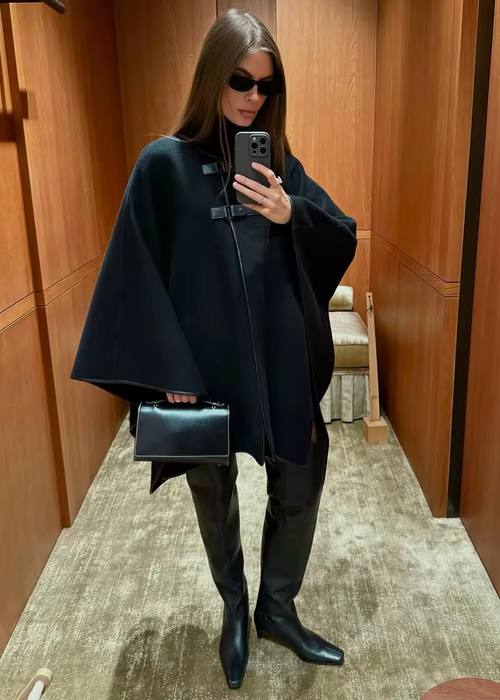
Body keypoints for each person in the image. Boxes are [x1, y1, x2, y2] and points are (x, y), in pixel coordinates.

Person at [71, 8, 357, 690]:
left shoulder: (277, 163)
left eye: (266, 84)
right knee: (214, 487)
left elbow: (339, 233)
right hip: (202, 369)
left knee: (301, 476)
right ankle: (233, 608)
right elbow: (136, 275)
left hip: (279, 364)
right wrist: (169, 368)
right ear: (212, 78)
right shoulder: (163, 166)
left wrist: (291, 214)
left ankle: (277, 610)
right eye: (240, 81)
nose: (254, 97)